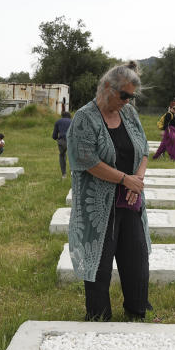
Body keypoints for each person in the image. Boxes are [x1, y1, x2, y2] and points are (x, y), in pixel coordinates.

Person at [67, 61, 150, 322]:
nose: (127, 101)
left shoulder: (129, 114)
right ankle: (99, 318)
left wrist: (136, 180)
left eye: (131, 97)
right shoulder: (85, 117)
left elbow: (144, 150)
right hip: (98, 207)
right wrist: (125, 180)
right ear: (106, 87)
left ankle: (136, 314)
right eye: (124, 95)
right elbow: (87, 160)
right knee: (99, 267)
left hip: (130, 202)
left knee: (136, 261)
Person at [52, 110, 72, 178]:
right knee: (72, 156)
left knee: (62, 155)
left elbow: (54, 135)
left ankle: (64, 174)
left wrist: (57, 139)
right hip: (71, 141)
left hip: (61, 141)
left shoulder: (58, 122)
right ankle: (72, 172)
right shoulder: (72, 121)